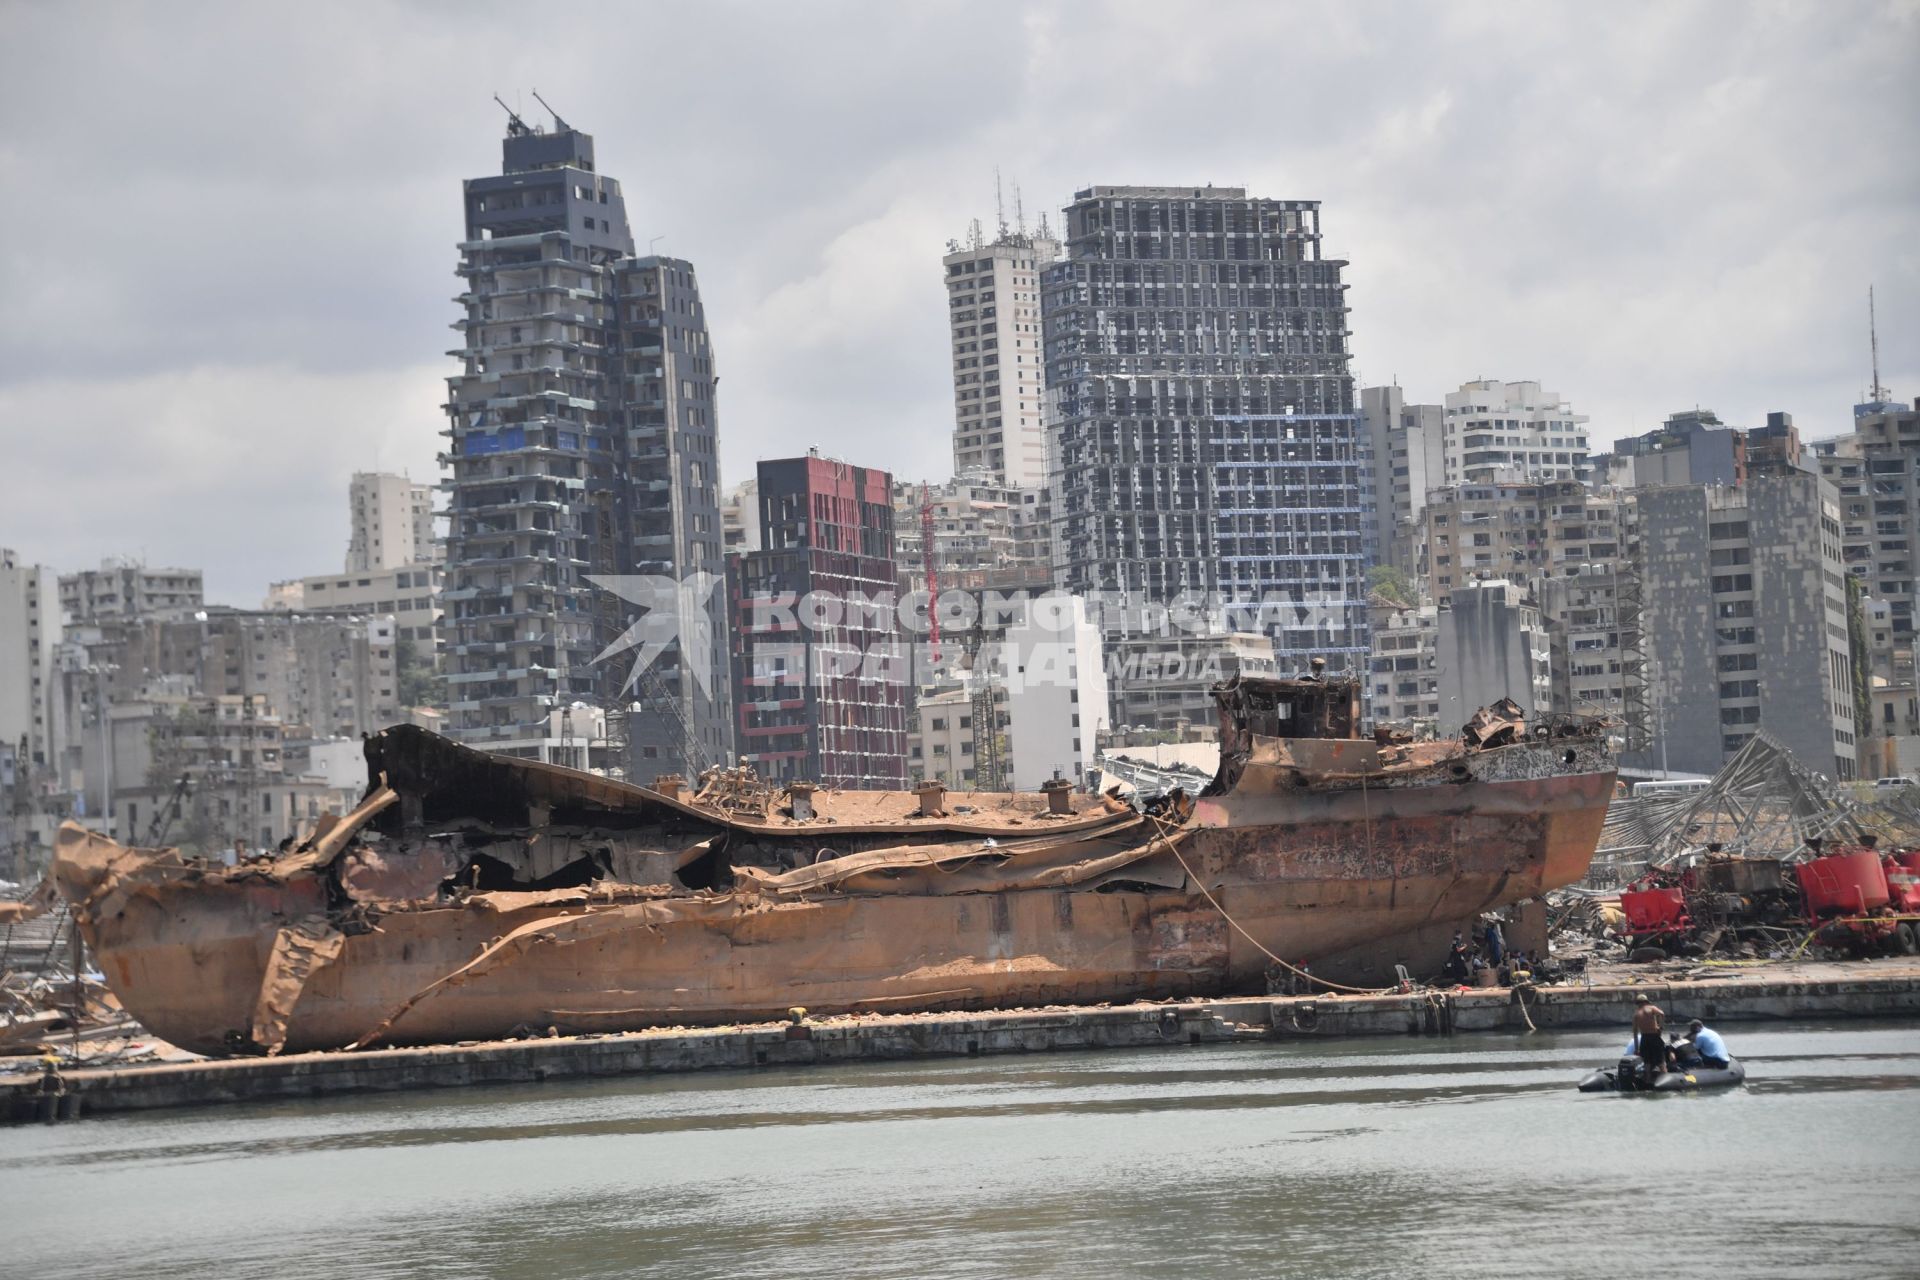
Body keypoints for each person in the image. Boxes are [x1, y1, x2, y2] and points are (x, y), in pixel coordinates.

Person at [1631, 993, 1670, 1075]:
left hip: (1644, 1038)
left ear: (1638, 1003)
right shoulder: (1651, 1008)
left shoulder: (1636, 1014)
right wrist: (1661, 1027)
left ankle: (1648, 1080)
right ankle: (1665, 1076)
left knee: (1647, 1062)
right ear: (1646, 1002)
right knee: (1660, 1060)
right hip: (1654, 1037)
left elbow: (1635, 1032)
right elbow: (1662, 1014)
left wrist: (1637, 1048)